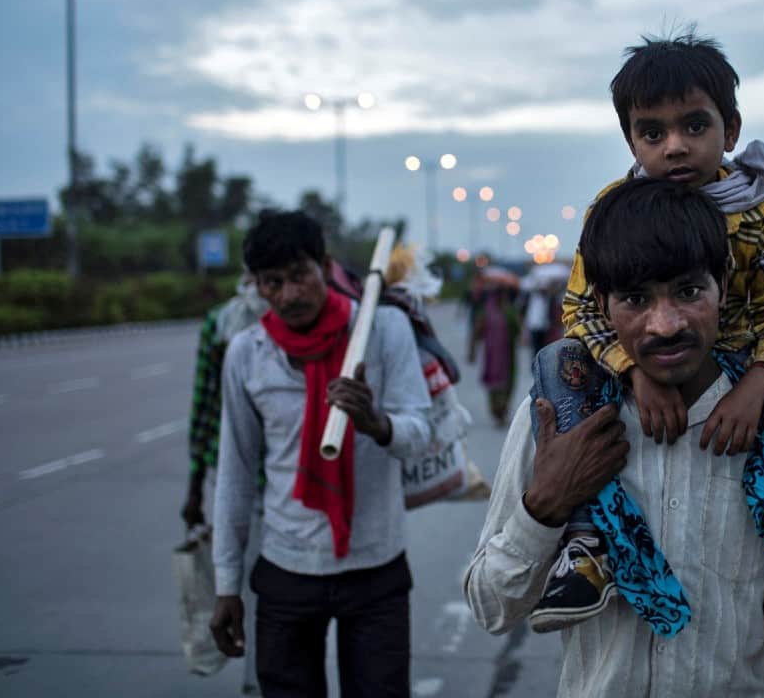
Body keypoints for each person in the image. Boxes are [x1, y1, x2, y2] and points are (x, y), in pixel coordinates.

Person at [463, 179, 764, 696]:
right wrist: (545, 505)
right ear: (602, 304)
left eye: (688, 291)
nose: (665, 324)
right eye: (635, 299)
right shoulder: (561, 418)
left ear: (723, 283)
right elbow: (491, 606)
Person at [549, 30, 764, 657]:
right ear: (631, 140)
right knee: (559, 361)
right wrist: (634, 375)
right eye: (652, 133)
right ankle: (585, 548)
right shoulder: (614, 209)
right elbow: (582, 308)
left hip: (738, 370)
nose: (676, 146)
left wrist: (754, 388)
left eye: (694, 126)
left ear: (731, 129)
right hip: (637, 361)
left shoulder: (759, 213)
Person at [209, 211, 430, 697]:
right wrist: (227, 583)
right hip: (287, 568)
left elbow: (421, 433)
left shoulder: (384, 329)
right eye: (273, 282)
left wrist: (377, 423)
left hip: (376, 567)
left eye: (300, 276)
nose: (290, 294)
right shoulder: (247, 352)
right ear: (257, 286)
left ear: (325, 267)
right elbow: (236, 473)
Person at [183, 274, 268, 695]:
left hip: (290, 481)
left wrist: (195, 483)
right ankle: (257, 678)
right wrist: (196, 484)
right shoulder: (222, 325)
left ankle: (265, 676)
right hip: (238, 475)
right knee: (246, 582)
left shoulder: (299, 320)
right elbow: (205, 401)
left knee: (275, 587)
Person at [468, 268, 522, 426]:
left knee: (508, 384)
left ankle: (502, 409)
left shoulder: (510, 312)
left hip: (508, 356)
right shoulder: (486, 312)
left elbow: (519, 331)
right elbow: (476, 333)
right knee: (494, 384)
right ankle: (496, 411)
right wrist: (471, 351)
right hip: (492, 356)